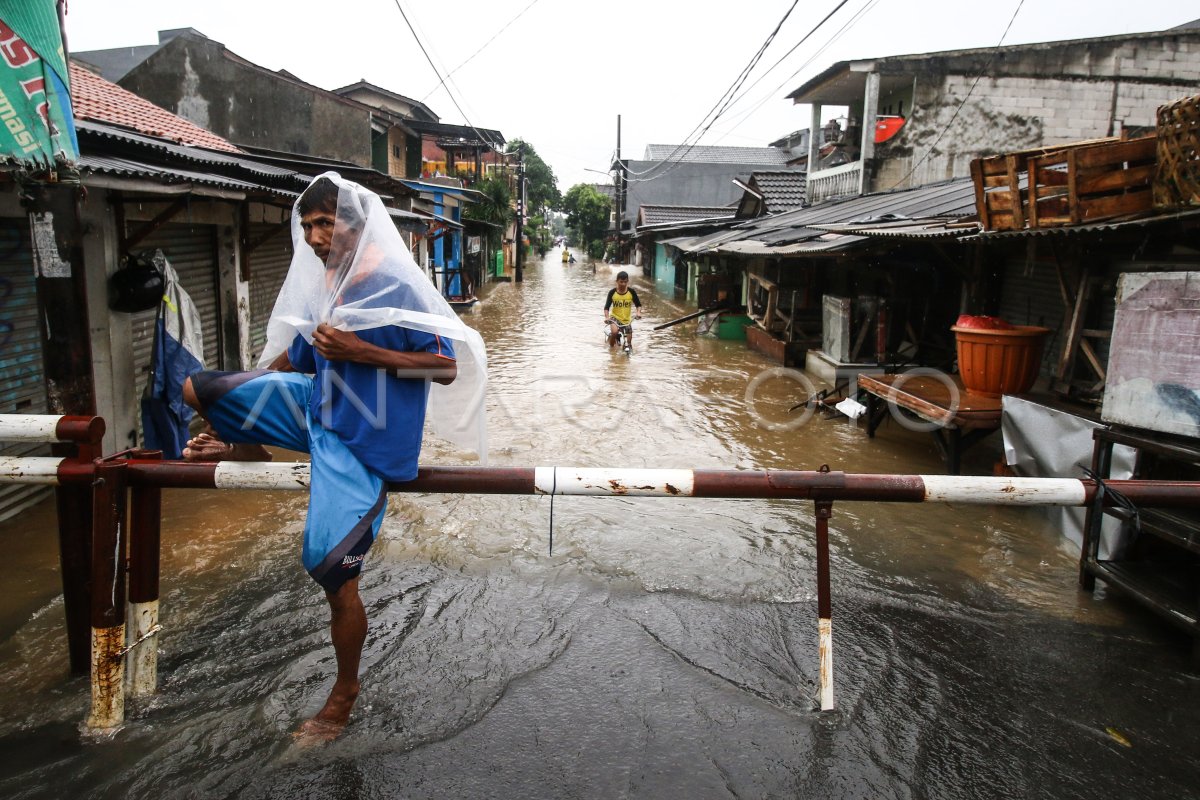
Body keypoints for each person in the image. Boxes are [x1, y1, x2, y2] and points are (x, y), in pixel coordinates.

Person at [181, 172, 487, 743]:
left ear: (355, 225)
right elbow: (294, 360)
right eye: (307, 226)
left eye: (324, 223)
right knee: (198, 388)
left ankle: (345, 691)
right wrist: (233, 408)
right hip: (313, 409)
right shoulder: (327, 284)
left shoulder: (398, 285)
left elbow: (444, 368)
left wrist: (358, 349)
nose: (314, 236)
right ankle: (247, 446)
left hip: (362, 437)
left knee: (330, 568)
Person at [603, 270, 642, 350]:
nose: (623, 284)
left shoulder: (631, 292)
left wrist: (638, 313)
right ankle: (611, 350)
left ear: (627, 281)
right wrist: (607, 317)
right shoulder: (612, 292)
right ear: (617, 281)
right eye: (621, 282)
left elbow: (638, 305)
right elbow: (606, 307)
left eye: (625, 282)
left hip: (627, 320)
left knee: (629, 343)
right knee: (614, 332)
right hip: (614, 318)